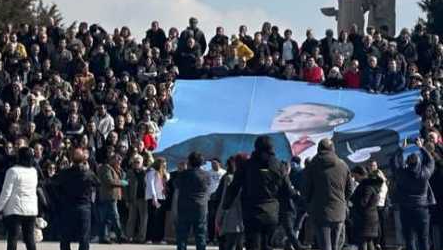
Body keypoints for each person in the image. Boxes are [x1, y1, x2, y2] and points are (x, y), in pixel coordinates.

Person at [162, 103, 399, 165]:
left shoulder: (354, 145)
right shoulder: (228, 142)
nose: (286, 117)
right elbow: (166, 161)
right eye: (283, 112)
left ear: (335, 121)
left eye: (301, 114)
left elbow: (391, 138)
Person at [222, 135, 292, 250]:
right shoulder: (279, 166)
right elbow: (287, 190)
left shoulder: (247, 165)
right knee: (267, 245)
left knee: (253, 246)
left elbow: (234, 187)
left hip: (252, 211)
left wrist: (226, 205)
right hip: (272, 212)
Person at [302, 138, 351, 250]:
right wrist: (342, 201)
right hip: (339, 210)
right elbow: (349, 189)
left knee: (326, 247)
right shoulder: (343, 165)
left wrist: (309, 204)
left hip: (319, 210)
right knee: (334, 246)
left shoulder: (313, 166)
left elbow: (306, 190)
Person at [392, 138, 435, 250]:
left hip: (406, 208)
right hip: (422, 208)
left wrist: (400, 149)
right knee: (423, 239)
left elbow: (393, 163)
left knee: (409, 239)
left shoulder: (402, 174)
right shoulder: (424, 174)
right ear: (418, 163)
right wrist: (422, 147)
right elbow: (431, 161)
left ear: (407, 163)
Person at [54, 148, 99, 250]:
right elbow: (97, 183)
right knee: (84, 238)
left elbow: (55, 185)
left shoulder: (65, 173)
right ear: (84, 160)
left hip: (68, 207)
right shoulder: (88, 173)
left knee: (65, 239)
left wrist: (61, 198)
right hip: (84, 207)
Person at [0, 146, 40, 250]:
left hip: (15, 208)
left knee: (12, 237)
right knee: (29, 237)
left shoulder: (12, 171)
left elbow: (6, 192)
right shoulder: (33, 171)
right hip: (31, 208)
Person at [172, 151, 211, 250]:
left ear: (189, 162)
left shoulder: (183, 175)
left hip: (184, 207)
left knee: (182, 238)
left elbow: (176, 185)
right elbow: (207, 187)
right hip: (200, 207)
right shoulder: (206, 175)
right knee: (200, 237)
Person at [347, 165, 382, 250]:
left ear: (360, 174)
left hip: (365, 218)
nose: (354, 178)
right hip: (371, 217)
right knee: (369, 243)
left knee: (363, 243)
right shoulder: (372, 185)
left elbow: (363, 202)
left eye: (355, 175)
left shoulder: (366, 186)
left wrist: (353, 202)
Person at [215, 154, 246, 250]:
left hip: (232, 213)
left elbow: (224, 199)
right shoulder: (250, 177)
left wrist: (219, 216)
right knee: (240, 242)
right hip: (246, 214)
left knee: (229, 245)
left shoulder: (229, 178)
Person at [95, 152, 126, 244]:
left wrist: (120, 170)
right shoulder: (106, 168)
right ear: (112, 159)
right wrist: (122, 182)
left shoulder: (115, 169)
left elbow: (122, 176)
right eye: (117, 159)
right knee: (115, 216)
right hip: (108, 196)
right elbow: (109, 181)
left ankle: (104, 237)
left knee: (107, 218)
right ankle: (120, 236)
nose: (119, 162)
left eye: (120, 160)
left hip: (113, 196)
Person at [145, 158, 168, 244]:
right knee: (152, 218)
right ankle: (149, 238)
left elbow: (167, 179)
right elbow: (151, 185)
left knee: (161, 219)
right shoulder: (151, 172)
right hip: (154, 198)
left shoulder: (162, 173)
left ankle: (159, 238)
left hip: (162, 197)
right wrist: (154, 198)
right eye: (164, 164)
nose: (165, 166)